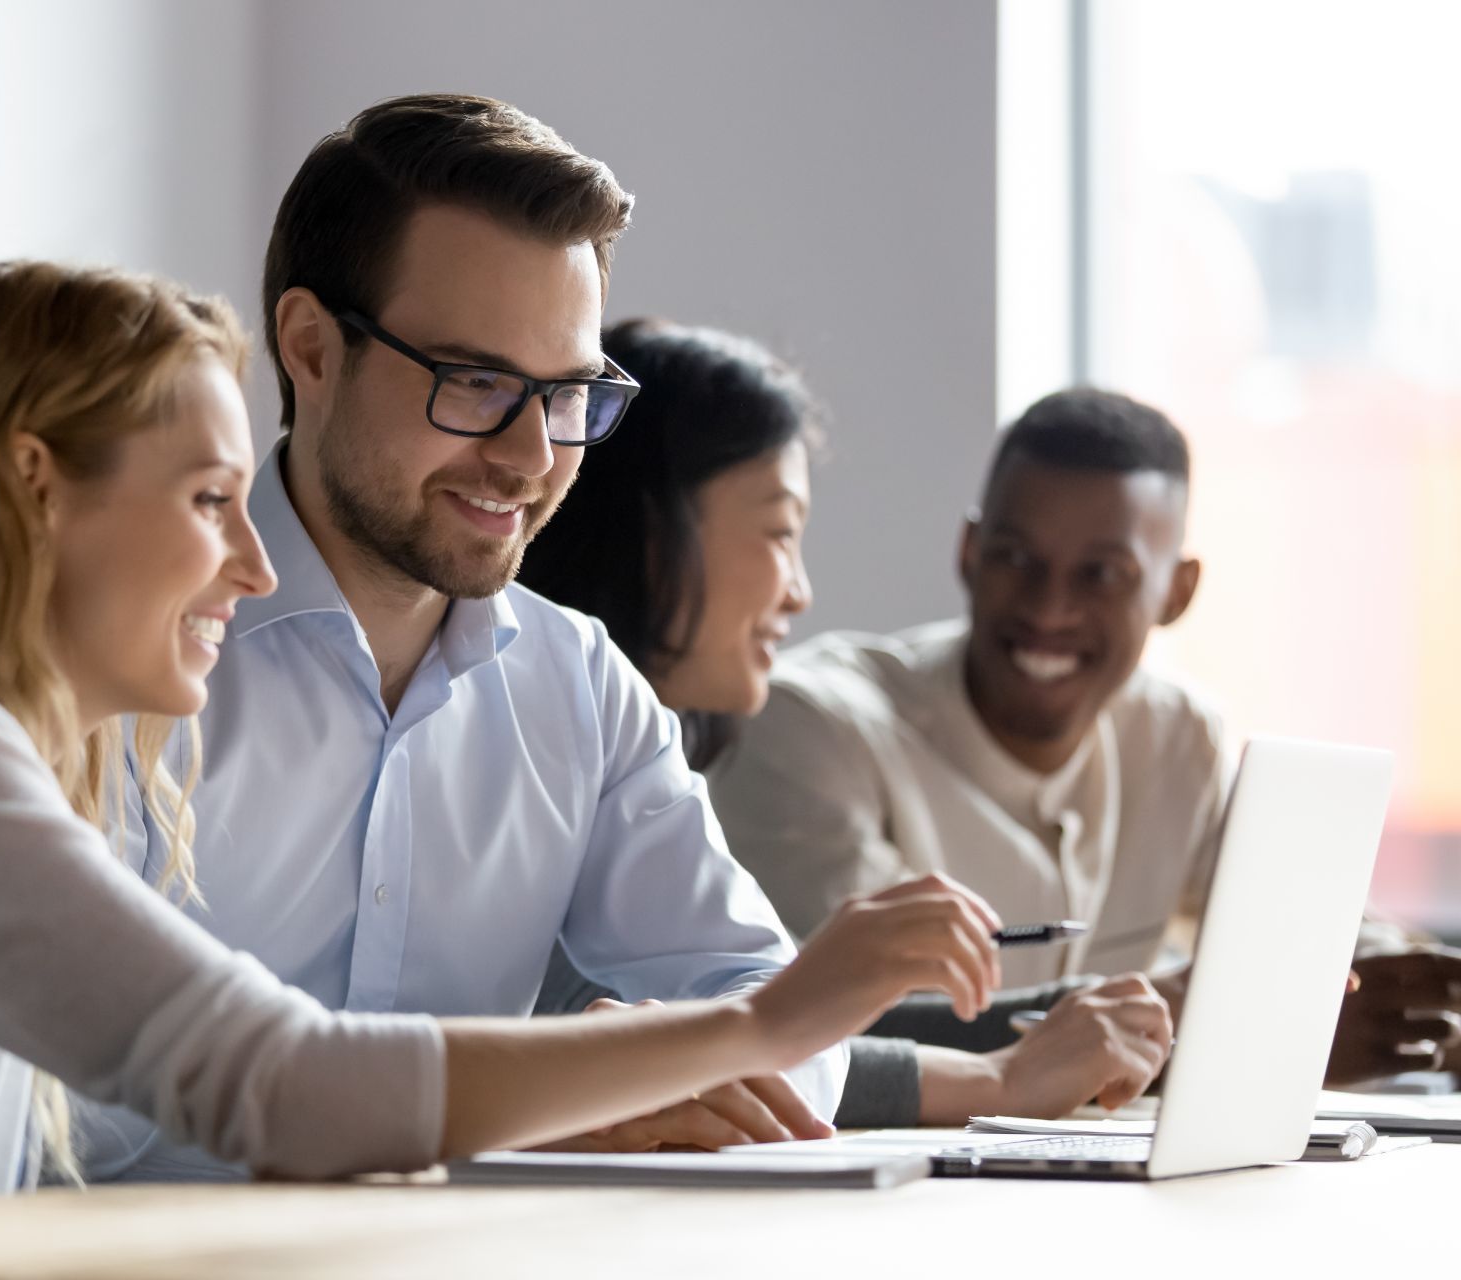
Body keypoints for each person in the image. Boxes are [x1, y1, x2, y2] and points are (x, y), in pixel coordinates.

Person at [0, 262, 1002, 1208]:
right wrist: (767, 1021)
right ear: (33, 487)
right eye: (205, 502)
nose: (254, 566)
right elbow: (280, 1085)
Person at [90, 93, 959, 1179]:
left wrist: (632, 1072)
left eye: (567, 395)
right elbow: (61, 1107)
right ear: (311, 348)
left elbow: (776, 1013)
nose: (531, 456)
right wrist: (524, 1100)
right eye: (478, 382)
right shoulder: (115, 656)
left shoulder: (580, 684)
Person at [520, 320, 1173, 1130]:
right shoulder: (529, 736)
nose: (799, 592)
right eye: (781, 533)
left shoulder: (646, 751)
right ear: (656, 534)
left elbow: (758, 1025)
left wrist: (1079, 1030)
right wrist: (1000, 1081)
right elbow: (694, 1040)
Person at [706, 386, 1461, 1084]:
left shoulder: (1176, 736)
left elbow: (1304, 920)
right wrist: (1224, 1034)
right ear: (969, 554)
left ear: (1177, 591)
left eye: (1102, 575)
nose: (1049, 608)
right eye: (1015, 559)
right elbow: (853, 1030)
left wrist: (1416, 996)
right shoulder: (810, 729)